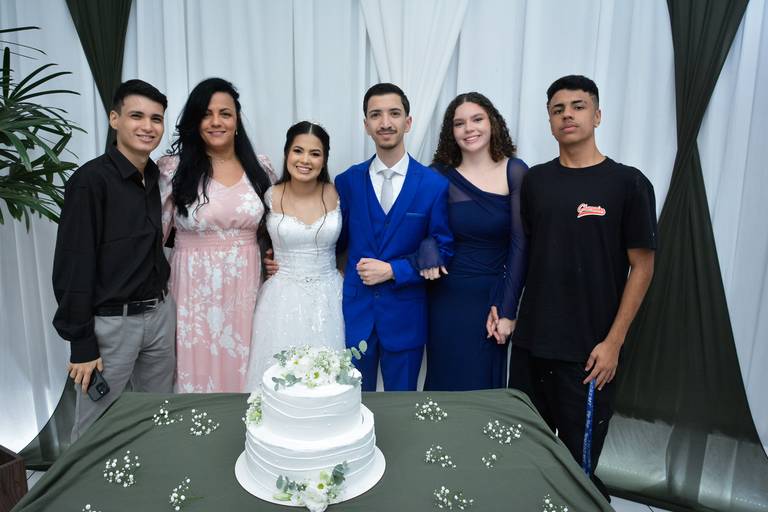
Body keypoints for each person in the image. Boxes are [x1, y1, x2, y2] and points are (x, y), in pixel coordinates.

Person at [508, 75, 657, 499]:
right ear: (549, 121)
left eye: (577, 106)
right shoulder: (536, 181)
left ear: (597, 115)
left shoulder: (628, 183)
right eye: (558, 110)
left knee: (579, 469)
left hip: (589, 352)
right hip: (532, 345)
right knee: (527, 455)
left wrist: (613, 343)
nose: (567, 115)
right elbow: (526, 254)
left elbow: (642, 268)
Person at [52, 80, 175, 440]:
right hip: (111, 326)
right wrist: (81, 344)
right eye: (137, 116)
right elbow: (73, 265)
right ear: (114, 119)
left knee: (157, 418)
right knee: (95, 430)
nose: (147, 126)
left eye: (156, 119)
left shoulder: (153, 176)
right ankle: (84, 480)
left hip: (159, 315)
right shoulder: (90, 181)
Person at [334, 83, 453, 391]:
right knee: (352, 403)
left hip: (405, 315)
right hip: (357, 313)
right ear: (366, 125)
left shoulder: (432, 185)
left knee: (401, 405)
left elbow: (443, 249)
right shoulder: (347, 182)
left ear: (408, 122)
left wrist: (393, 270)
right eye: (376, 115)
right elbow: (335, 242)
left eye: (394, 114)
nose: (385, 122)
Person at [158, 78, 274, 393]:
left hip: (246, 287)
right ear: (195, 122)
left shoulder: (261, 169)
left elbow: (273, 231)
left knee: (246, 363)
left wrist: (274, 259)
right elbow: (154, 236)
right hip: (192, 289)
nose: (216, 122)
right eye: (206, 114)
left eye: (225, 113)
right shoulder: (173, 170)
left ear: (237, 121)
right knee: (194, 368)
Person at [423, 92, 527, 391]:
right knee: (443, 386)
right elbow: (419, 227)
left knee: (483, 390)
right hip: (445, 297)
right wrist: (428, 246)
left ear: (492, 122)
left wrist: (507, 309)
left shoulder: (515, 171)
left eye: (477, 119)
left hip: (491, 300)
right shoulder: (437, 175)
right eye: (459, 123)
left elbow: (520, 245)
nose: (469, 128)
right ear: (451, 132)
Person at [244, 122, 344, 388]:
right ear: (286, 153)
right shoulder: (269, 196)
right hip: (281, 298)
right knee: (279, 375)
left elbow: (354, 239)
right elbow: (254, 238)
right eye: (298, 151)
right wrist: (265, 262)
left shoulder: (338, 194)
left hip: (330, 296)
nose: (305, 160)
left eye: (315, 153)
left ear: (325, 159)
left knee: (329, 375)